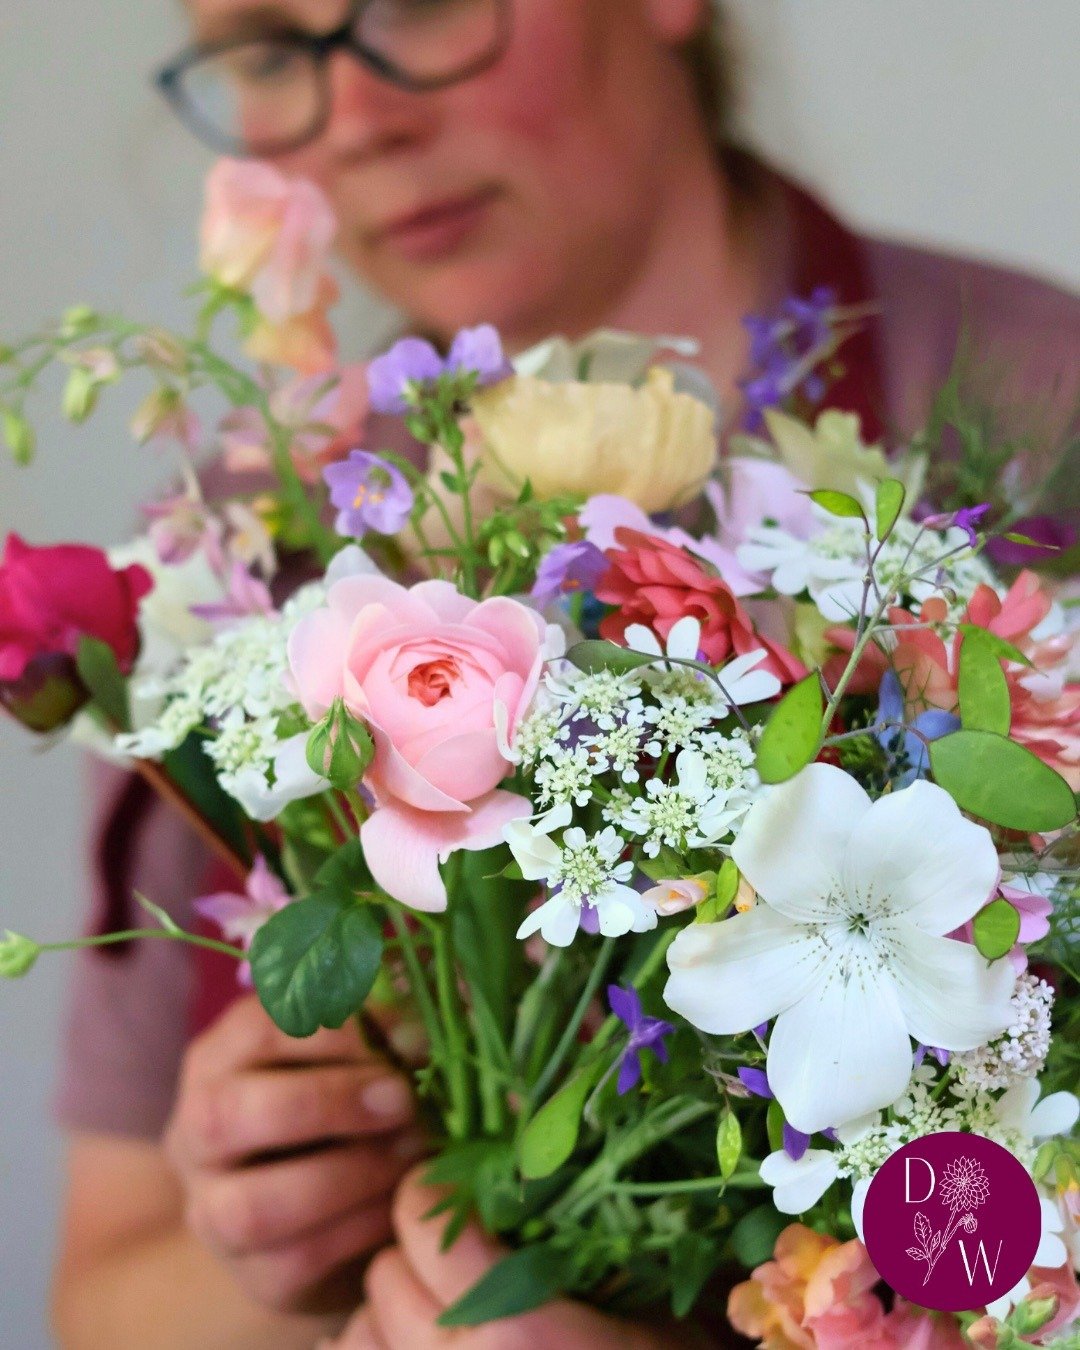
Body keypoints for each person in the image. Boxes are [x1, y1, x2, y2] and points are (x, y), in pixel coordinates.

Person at [49, 2, 1080, 1347]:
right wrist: (264, 1252)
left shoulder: (1039, 414)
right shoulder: (243, 561)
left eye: (418, 2)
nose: (357, 120)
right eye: (264, 44)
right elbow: (102, 1292)